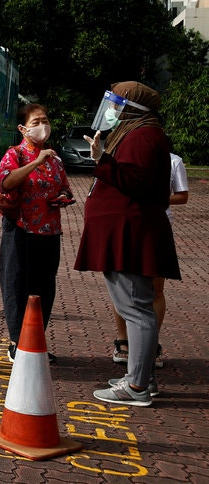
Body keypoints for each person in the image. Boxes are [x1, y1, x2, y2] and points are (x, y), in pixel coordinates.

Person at [76, 81, 180, 406]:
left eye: (118, 102)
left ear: (132, 108)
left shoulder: (143, 136)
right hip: (125, 230)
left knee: (136, 309)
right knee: (135, 307)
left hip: (129, 232)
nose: (112, 109)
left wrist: (102, 160)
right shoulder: (140, 134)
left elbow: (135, 182)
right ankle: (140, 376)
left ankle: (136, 386)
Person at [0, 103, 74, 363]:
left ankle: (35, 340)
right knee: (17, 286)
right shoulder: (15, 154)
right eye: (37, 121)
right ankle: (17, 342)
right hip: (21, 229)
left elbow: (65, 187)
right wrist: (36, 162)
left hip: (49, 230)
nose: (43, 126)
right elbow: (5, 183)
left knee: (44, 288)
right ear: (23, 128)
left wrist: (62, 196)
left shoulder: (56, 158)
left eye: (45, 120)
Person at [110, 147, 188, 370]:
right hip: (127, 227)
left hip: (157, 229)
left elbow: (182, 196)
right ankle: (123, 340)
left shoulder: (174, 161)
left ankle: (151, 344)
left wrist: (155, 198)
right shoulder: (126, 158)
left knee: (155, 289)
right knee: (122, 287)